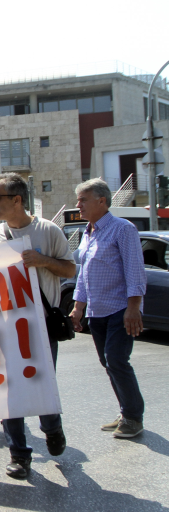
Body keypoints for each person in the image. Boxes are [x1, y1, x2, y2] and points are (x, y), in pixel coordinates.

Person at [0, 173, 76, 479]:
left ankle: (51, 426)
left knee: (41, 383)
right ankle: (18, 454)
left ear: (17, 200)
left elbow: (69, 268)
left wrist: (42, 261)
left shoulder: (48, 230)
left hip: (40, 326)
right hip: (3, 327)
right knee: (8, 391)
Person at [69, 178, 147, 440]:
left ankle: (134, 418)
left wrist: (133, 308)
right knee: (107, 362)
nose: (77, 205)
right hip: (97, 312)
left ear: (102, 201)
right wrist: (78, 307)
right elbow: (84, 274)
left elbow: (135, 270)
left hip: (119, 309)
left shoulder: (122, 229)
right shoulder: (87, 232)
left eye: (83, 200)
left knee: (116, 359)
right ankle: (126, 412)